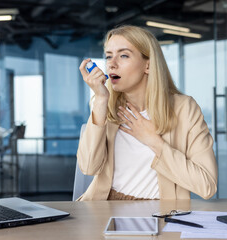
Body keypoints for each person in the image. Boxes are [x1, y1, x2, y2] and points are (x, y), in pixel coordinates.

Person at [76, 25, 218, 201]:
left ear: (148, 65)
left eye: (124, 55)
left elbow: (207, 186)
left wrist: (155, 142)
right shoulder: (104, 105)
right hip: (104, 209)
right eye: (109, 56)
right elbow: (88, 167)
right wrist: (101, 100)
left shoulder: (184, 109)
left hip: (159, 214)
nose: (112, 64)